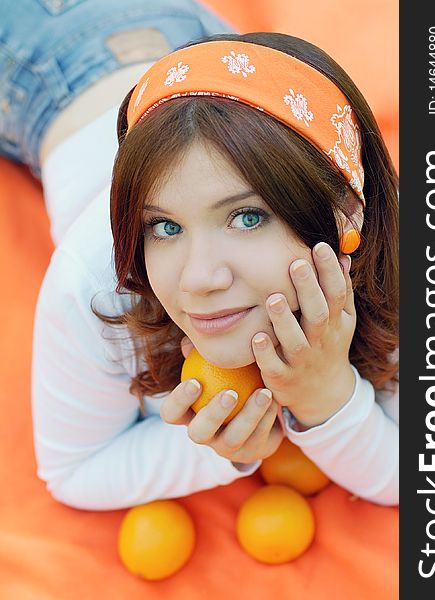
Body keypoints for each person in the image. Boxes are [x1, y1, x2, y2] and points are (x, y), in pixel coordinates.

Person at [3, 10, 398, 509]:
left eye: (247, 218)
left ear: (347, 217)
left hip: (207, 58)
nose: (199, 279)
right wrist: (227, 448)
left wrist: (327, 395)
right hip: (46, 63)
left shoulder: (402, 261)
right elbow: (72, 471)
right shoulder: (99, 279)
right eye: (165, 227)